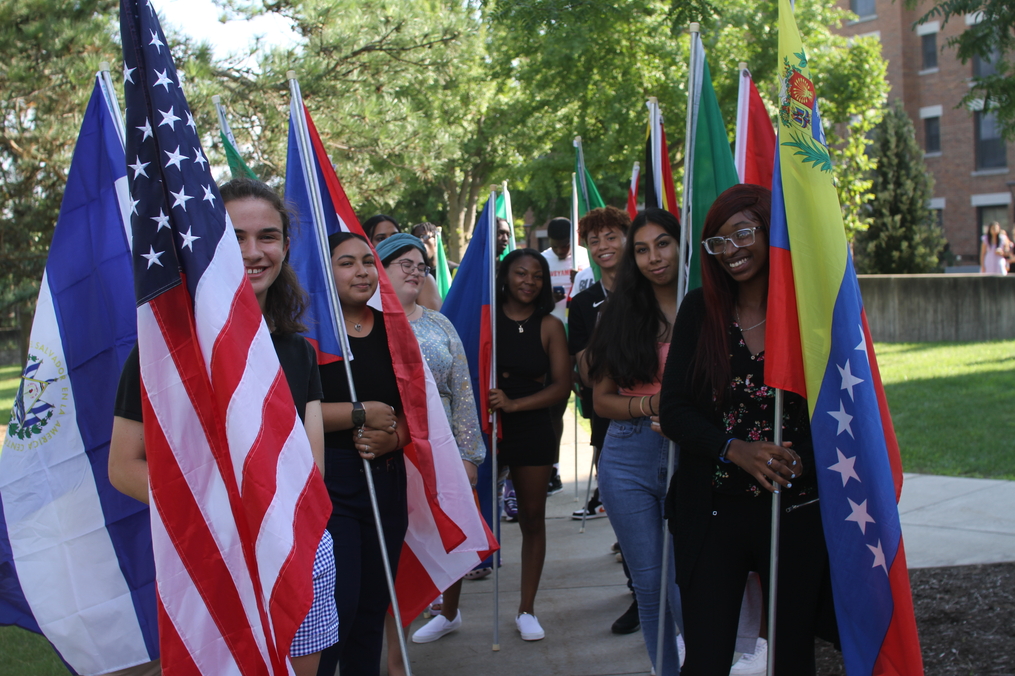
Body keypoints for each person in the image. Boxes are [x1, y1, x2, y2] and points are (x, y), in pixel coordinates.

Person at [108, 178, 338, 676]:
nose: (253, 252)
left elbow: (311, 465)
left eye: (268, 236)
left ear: (285, 246)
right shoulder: (163, 351)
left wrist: (272, 519)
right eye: (235, 237)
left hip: (299, 549)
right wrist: (223, 513)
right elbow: (124, 466)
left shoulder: (297, 353)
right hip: (214, 554)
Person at [659, 184, 836, 675]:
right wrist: (734, 449)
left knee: (791, 658)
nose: (732, 250)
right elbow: (674, 410)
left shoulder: (810, 312)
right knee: (707, 659)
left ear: (770, 231)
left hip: (793, 511)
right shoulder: (699, 311)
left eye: (742, 233)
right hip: (711, 511)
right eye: (718, 242)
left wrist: (796, 455)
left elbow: (841, 408)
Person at [584, 208, 684, 674]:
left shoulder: (705, 305)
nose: (653, 257)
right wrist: (651, 405)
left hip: (693, 452)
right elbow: (602, 400)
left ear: (680, 245)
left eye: (662, 244)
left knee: (690, 583)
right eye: (641, 249)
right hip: (627, 456)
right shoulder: (619, 314)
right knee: (650, 585)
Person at [375, 234, 485, 655]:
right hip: (389, 451)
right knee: (393, 553)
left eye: (421, 264)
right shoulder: (362, 324)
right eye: (404, 262)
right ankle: (390, 649)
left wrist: (467, 455)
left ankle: (431, 623)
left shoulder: (440, 324)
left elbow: (462, 391)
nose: (416, 270)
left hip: (437, 453)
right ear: (380, 268)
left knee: (436, 542)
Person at [316, 232, 409, 676]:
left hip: (388, 481)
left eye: (368, 262)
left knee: (374, 605)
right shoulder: (307, 333)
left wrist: (396, 438)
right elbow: (292, 414)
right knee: (340, 607)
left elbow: (417, 410)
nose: (362, 271)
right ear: (324, 270)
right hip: (331, 484)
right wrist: (360, 414)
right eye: (346, 262)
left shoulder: (394, 328)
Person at [489, 249, 571, 641]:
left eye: (537, 275)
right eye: (520, 273)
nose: (529, 281)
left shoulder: (551, 325)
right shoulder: (485, 316)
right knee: (468, 514)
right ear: (505, 276)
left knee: (532, 518)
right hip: (485, 426)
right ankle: (448, 612)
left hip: (533, 428)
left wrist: (516, 404)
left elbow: (561, 386)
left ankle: (526, 610)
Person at [566, 206, 639, 635]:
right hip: (609, 421)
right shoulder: (583, 303)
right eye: (595, 240)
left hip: (658, 417)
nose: (603, 246)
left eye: (612, 236)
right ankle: (639, 593)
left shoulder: (651, 287)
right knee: (624, 512)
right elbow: (590, 375)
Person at [541, 217, 579, 494]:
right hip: (550, 341)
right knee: (554, 407)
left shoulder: (583, 259)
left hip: (578, 339)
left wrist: (580, 284)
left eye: (565, 245)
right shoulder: (542, 261)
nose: (561, 251)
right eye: (556, 247)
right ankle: (552, 467)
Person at [409, 221, 448, 309]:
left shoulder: (455, 271)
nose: (421, 241)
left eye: (425, 236)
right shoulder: (410, 274)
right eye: (416, 238)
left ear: (436, 239)